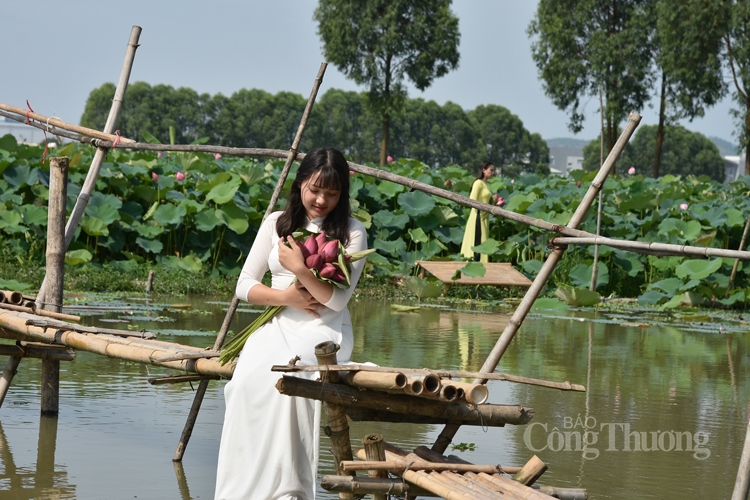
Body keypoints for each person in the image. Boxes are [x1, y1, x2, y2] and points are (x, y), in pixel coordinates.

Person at [214, 147, 368, 500]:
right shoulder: (277, 223)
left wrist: (299, 269)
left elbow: (337, 300)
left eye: (331, 193)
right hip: (277, 323)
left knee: (293, 385)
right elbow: (244, 284)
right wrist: (286, 298)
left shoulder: (352, 233)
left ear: (342, 193)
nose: (321, 200)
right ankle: (240, 490)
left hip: (322, 332)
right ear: (300, 184)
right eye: (315, 189)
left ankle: (288, 490)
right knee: (243, 386)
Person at [460, 161, 495, 262]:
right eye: (491, 170)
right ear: (484, 170)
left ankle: (482, 264)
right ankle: (474, 263)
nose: (493, 172)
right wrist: (482, 208)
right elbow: (472, 199)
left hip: (484, 217)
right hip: (478, 216)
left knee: (482, 241)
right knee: (477, 241)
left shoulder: (486, 185)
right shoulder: (478, 183)